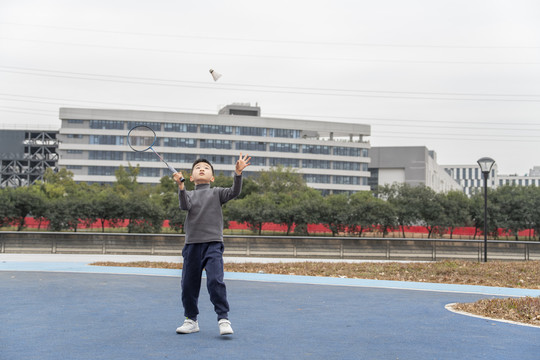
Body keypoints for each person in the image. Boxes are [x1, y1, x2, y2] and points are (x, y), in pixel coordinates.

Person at [172, 153, 251, 336]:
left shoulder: (217, 193)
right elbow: (184, 205)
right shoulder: (189, 194)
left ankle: (223, 318)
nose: (202, 169)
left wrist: (238, 174)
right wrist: (181, 186)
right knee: (188, 286)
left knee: (216, 281)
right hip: (192, 245)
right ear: (191, 177)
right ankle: (191, 320)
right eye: (198, 168)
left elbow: (234, 192)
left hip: (213, 245)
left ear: (212, 177)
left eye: (206, 168)